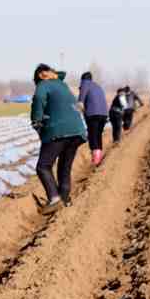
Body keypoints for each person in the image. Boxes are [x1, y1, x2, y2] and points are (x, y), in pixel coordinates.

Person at [30, 64, 87, 214]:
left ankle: (54, 198)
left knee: (43, 166)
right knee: (64, 167)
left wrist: (36, 121)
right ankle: (65, 200)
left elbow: (38, 98)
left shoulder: (44, 84)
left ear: (41, 75)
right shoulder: (62, 85)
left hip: (59, 130)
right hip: (77, 130)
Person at [77, 71, 109, 165]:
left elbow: (80, 102)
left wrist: (81, 113)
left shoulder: (84, 84)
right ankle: (98, 155)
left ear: (82, 79)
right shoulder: (97, 86)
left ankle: (95, 159)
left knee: (92, 135)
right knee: (98, 135)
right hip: (103, 114)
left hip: (93, 114)